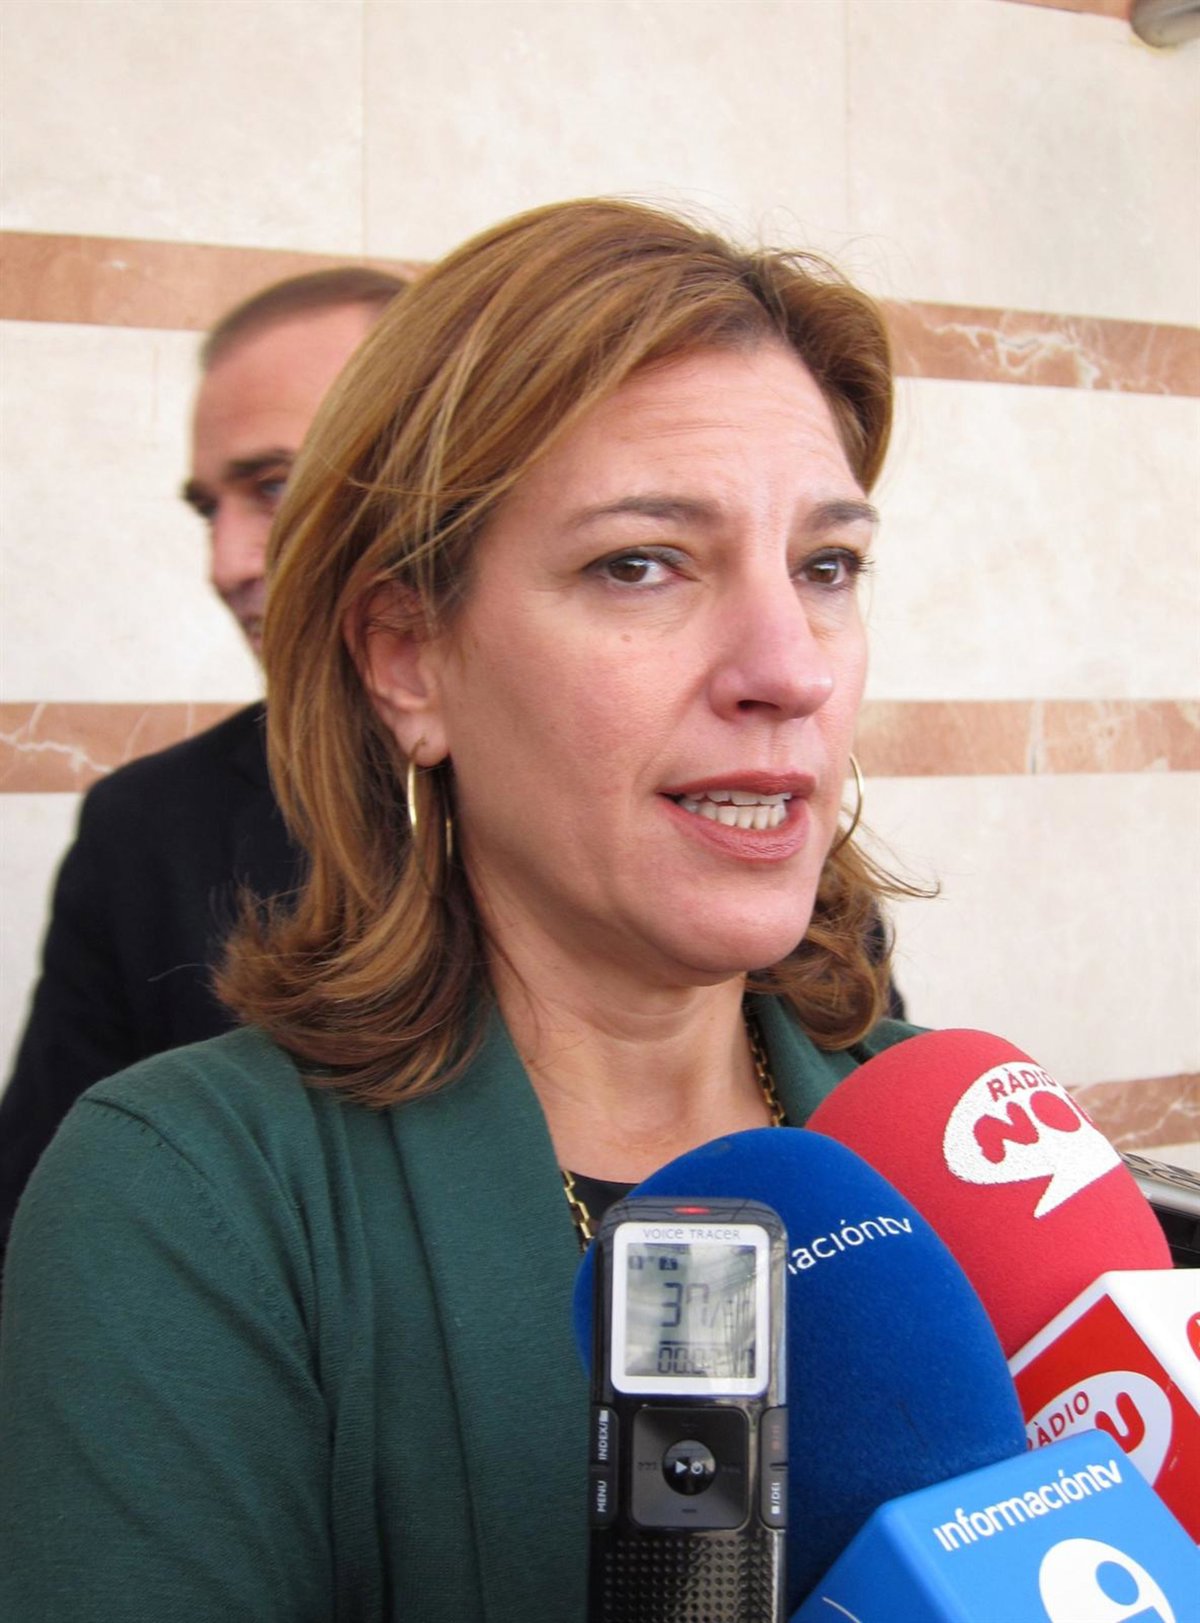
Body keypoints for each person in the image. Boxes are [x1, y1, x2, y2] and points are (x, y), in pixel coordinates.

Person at [0, 199, 922, 1621]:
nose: (789, 666)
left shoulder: (943, 1143)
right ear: (409, 661)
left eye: (826, 566)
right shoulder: (186, 1201)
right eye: (640, 562)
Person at [0, 266, 406, 1267]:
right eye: (208, 508)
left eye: (275, 486)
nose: (227, 563)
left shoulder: (652, 796)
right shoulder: (145, 831)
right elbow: (40, 1236)